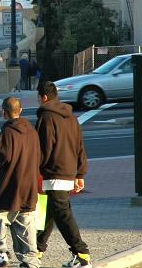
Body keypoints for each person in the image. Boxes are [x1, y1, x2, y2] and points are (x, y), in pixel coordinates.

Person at [35, 81, 91, 268]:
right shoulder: (71, 117)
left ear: (43, 97)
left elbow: (44, 148)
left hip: (54, 171)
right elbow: (79, 145)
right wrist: (80, 174)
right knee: (51, 211)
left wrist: (36, 170)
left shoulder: (46, 117)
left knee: (62, 214)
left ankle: (81, 253)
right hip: (69, 170)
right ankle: (37, 248)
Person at [0, 97, 41, 268]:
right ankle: (30, 260)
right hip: (29, 183)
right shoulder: (31, 130)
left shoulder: (8, 131)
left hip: (10, 183)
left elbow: (2, 157)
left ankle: (0, 253)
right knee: (26, 220)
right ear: (21, 110)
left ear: (3, 112)